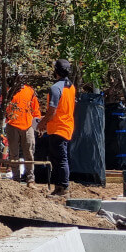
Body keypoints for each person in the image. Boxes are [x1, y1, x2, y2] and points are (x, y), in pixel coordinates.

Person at [37, 59, 75, 197]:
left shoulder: (55, 88)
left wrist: (42, 123)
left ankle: (63, 188)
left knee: (60, 159)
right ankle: (60, 187)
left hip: (58, 128)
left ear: (56, 71)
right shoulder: (70, 86)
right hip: (66, 126)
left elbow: (52, 111)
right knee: (59, 159)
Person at [5, 77, 41, 186]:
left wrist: (38, 125)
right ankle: (16, 179)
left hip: (28, 125)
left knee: (29, 152)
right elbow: (3, 107)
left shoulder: (30, 91)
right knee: (13, 154)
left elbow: (36, 109)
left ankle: (30, 179)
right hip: (12, 125)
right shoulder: (7, 91)